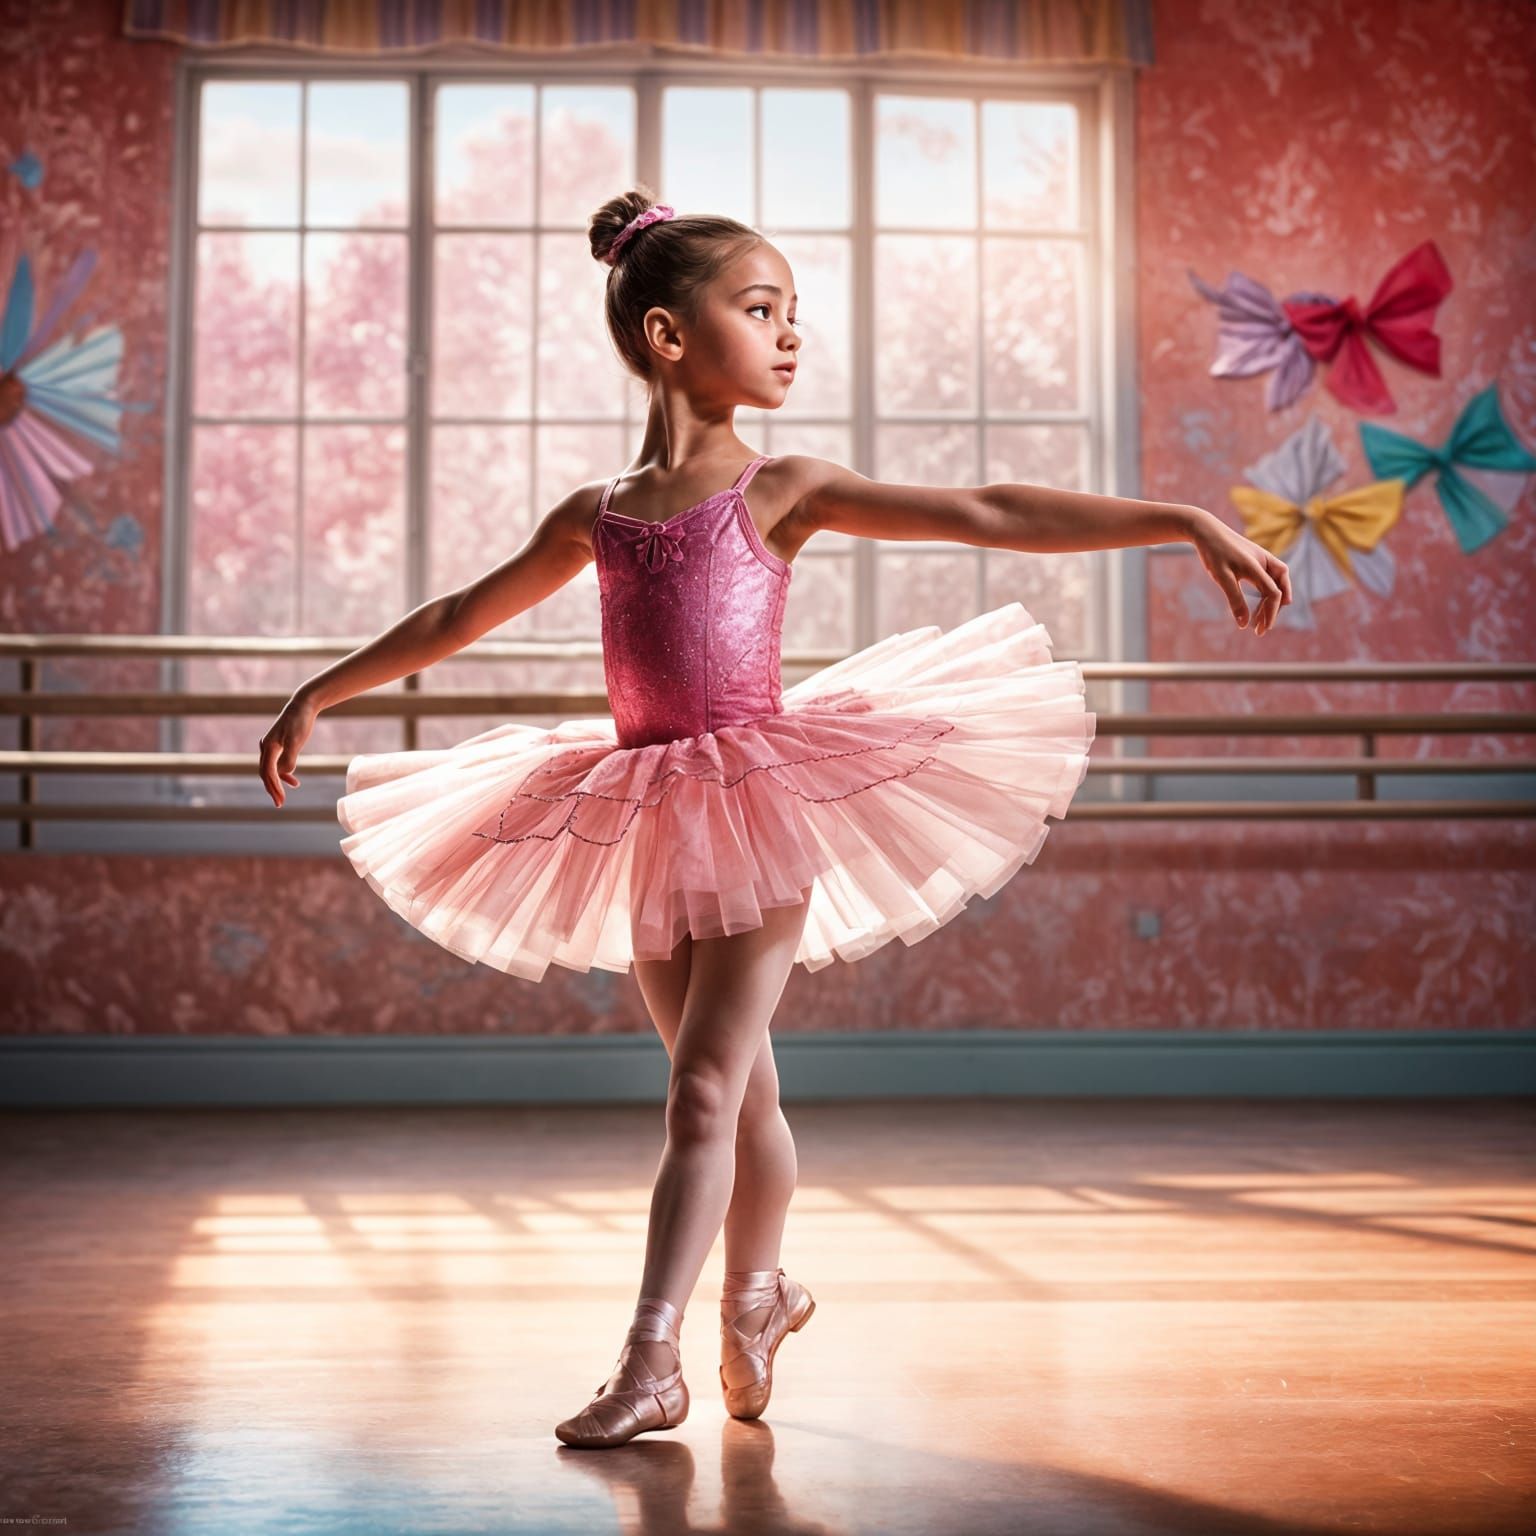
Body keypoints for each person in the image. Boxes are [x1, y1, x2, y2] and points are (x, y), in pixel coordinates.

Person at [257, 185, 1290, 1450]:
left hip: (756, 803)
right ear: (667, 336)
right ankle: (763, 1291)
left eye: (795, 313)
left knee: (700, 1088)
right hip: (640, 812)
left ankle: (652, 1360)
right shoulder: (600, 516)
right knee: (740, 1104)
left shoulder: (784, 487)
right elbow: (461, 613)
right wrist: (323, 689)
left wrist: (1176, 521)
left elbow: (988, 511)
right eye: (762, 310)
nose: (792, 335)